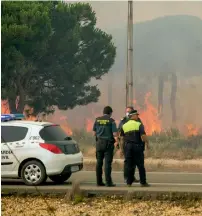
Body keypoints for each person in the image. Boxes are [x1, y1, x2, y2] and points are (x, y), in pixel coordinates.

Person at [119, 110, 150, 187]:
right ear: (132, 116)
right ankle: (143, 182)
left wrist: (122, 149)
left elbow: (122, 139)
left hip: (128, 148)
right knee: (140, 165)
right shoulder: (139, 124)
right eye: (136, 115)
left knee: (129, 165)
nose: (137, 116)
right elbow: (143, 136)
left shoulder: (124, 125)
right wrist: (147, 143)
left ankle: (129, 182)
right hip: (137, 147)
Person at [93, 106, 118, 187]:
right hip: (108, 144)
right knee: (107, 163)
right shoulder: (111, 121)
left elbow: (94, 133)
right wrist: (117, 142)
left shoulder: (97, 120)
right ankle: (108, 182)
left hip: (99, 143)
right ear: (110, 113)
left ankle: (99, 182)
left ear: (103, 112)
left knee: (99, 163)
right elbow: (114, 134)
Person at [118, 106, 142, 183]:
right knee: (127, 162)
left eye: (129, 111)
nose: (127, 113)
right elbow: (120, 133)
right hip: (126, 144)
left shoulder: (138, 120)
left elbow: (141, 130)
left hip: (136, 143)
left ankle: (131, 177)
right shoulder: (123, 120)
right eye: (126, 111)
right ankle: (126, 177)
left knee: (134, 162)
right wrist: (120, 146)